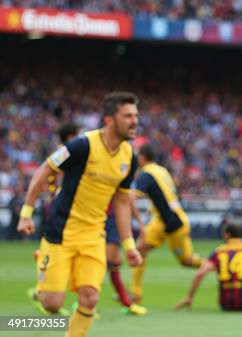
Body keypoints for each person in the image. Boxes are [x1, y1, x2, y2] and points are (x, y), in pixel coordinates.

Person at [17, 91, 143, 337]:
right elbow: (45, 169)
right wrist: (26, 213)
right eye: (128, 116)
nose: (135, 121)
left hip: (94, 234)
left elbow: (122, 202)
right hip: (61, 231)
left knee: (90, 297)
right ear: (109, 119)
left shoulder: (130, 157)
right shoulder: (82, 145)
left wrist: (129, 245)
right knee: (51, 304)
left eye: (136, 115)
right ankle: (41, 261)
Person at [130, 143, 202, 304]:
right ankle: (135, 295)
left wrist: (137, 220)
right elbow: (165, 195)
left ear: (142, 157)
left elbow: (131, 198)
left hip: (174, 224)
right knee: (139, 251)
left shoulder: (146, 174)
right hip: (162, 221)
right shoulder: (162, 171)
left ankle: (214, 264)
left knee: (187, 261)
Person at [29, 122, 80, 315]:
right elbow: (48, 175)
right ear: (70, 135)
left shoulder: (70, 151)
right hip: (60, 205)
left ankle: (49, 288)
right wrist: (54, 194)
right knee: (61, 246)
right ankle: (43, 289)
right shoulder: (66, 152)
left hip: (61, 203)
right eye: (76, 134)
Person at [105, 195, 147, 315]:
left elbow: (126, 199)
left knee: (115, 262)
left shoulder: (122, 181)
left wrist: (139, 222)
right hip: (103, 217)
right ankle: (84, 301)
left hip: (112, 218)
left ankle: (127, 303)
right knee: (107, 262)